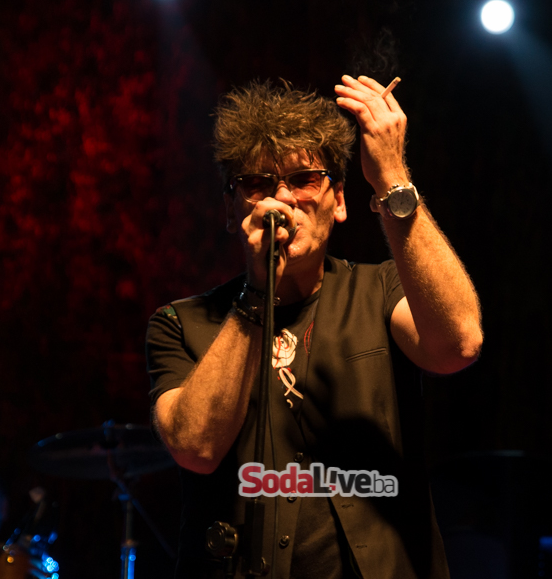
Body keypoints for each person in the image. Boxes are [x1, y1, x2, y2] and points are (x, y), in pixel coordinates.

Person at [146, 75, 484, 579]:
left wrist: (392, 177)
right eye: (258, 184)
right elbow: (195, 448)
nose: (282, 199)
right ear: (231, 210)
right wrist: (258, 291)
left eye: (304, 179)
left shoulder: (383, 290)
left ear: (338, 201)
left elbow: (459, 344)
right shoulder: (181, 322)